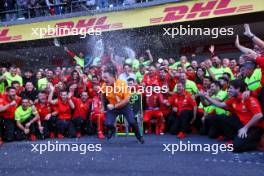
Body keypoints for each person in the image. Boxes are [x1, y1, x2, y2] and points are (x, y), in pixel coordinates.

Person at [198, 79, 264, 152]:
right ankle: (234, 138)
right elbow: (220, 104)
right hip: (241, 124)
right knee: (213, 117)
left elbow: (259, 115)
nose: (228, 90)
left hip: (253, 127)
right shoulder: (233, 99)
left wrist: (245, 128)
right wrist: (206, 96)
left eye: (230, 88)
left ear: (238, 89)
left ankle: (255, 142)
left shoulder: (249, 98)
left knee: (236, 147)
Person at [101, 66, 144, 143]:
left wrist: (114, 106)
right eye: (104, 78)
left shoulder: (122, 83)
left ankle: (139, 137)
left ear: (112, 77)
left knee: (132, 122)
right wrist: (102, 106)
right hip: (112, 107)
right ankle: (112, 129)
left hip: (124, 106)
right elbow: (102, 95)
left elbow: (127, 100)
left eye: (106, 78)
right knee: (107, 123)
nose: (104, 80)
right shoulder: (104, 85)